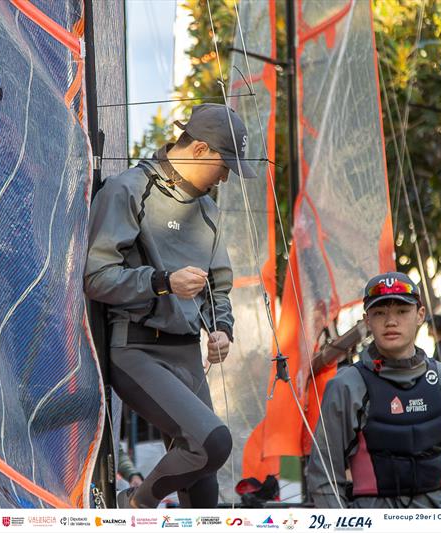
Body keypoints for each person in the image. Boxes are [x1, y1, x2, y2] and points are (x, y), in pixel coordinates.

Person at [84, 103, 258, 508]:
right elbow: (94, 278)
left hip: (186, 354)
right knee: (212, 444)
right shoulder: (128, 189)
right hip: (136, 350)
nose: (227, 176)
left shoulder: (209, 210)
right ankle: (135, 504)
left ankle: (143, 505)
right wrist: (163, 283)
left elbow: (218, 288)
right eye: (224, 163)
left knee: (204, 495)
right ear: (198, 150)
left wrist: (222, 330)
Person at [307, 272, 441, 508]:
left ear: (420, 315)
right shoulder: (346, 387)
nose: (391, 322)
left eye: (402, 311)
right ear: (367, 320)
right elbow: (324, 478)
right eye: (380, 313)